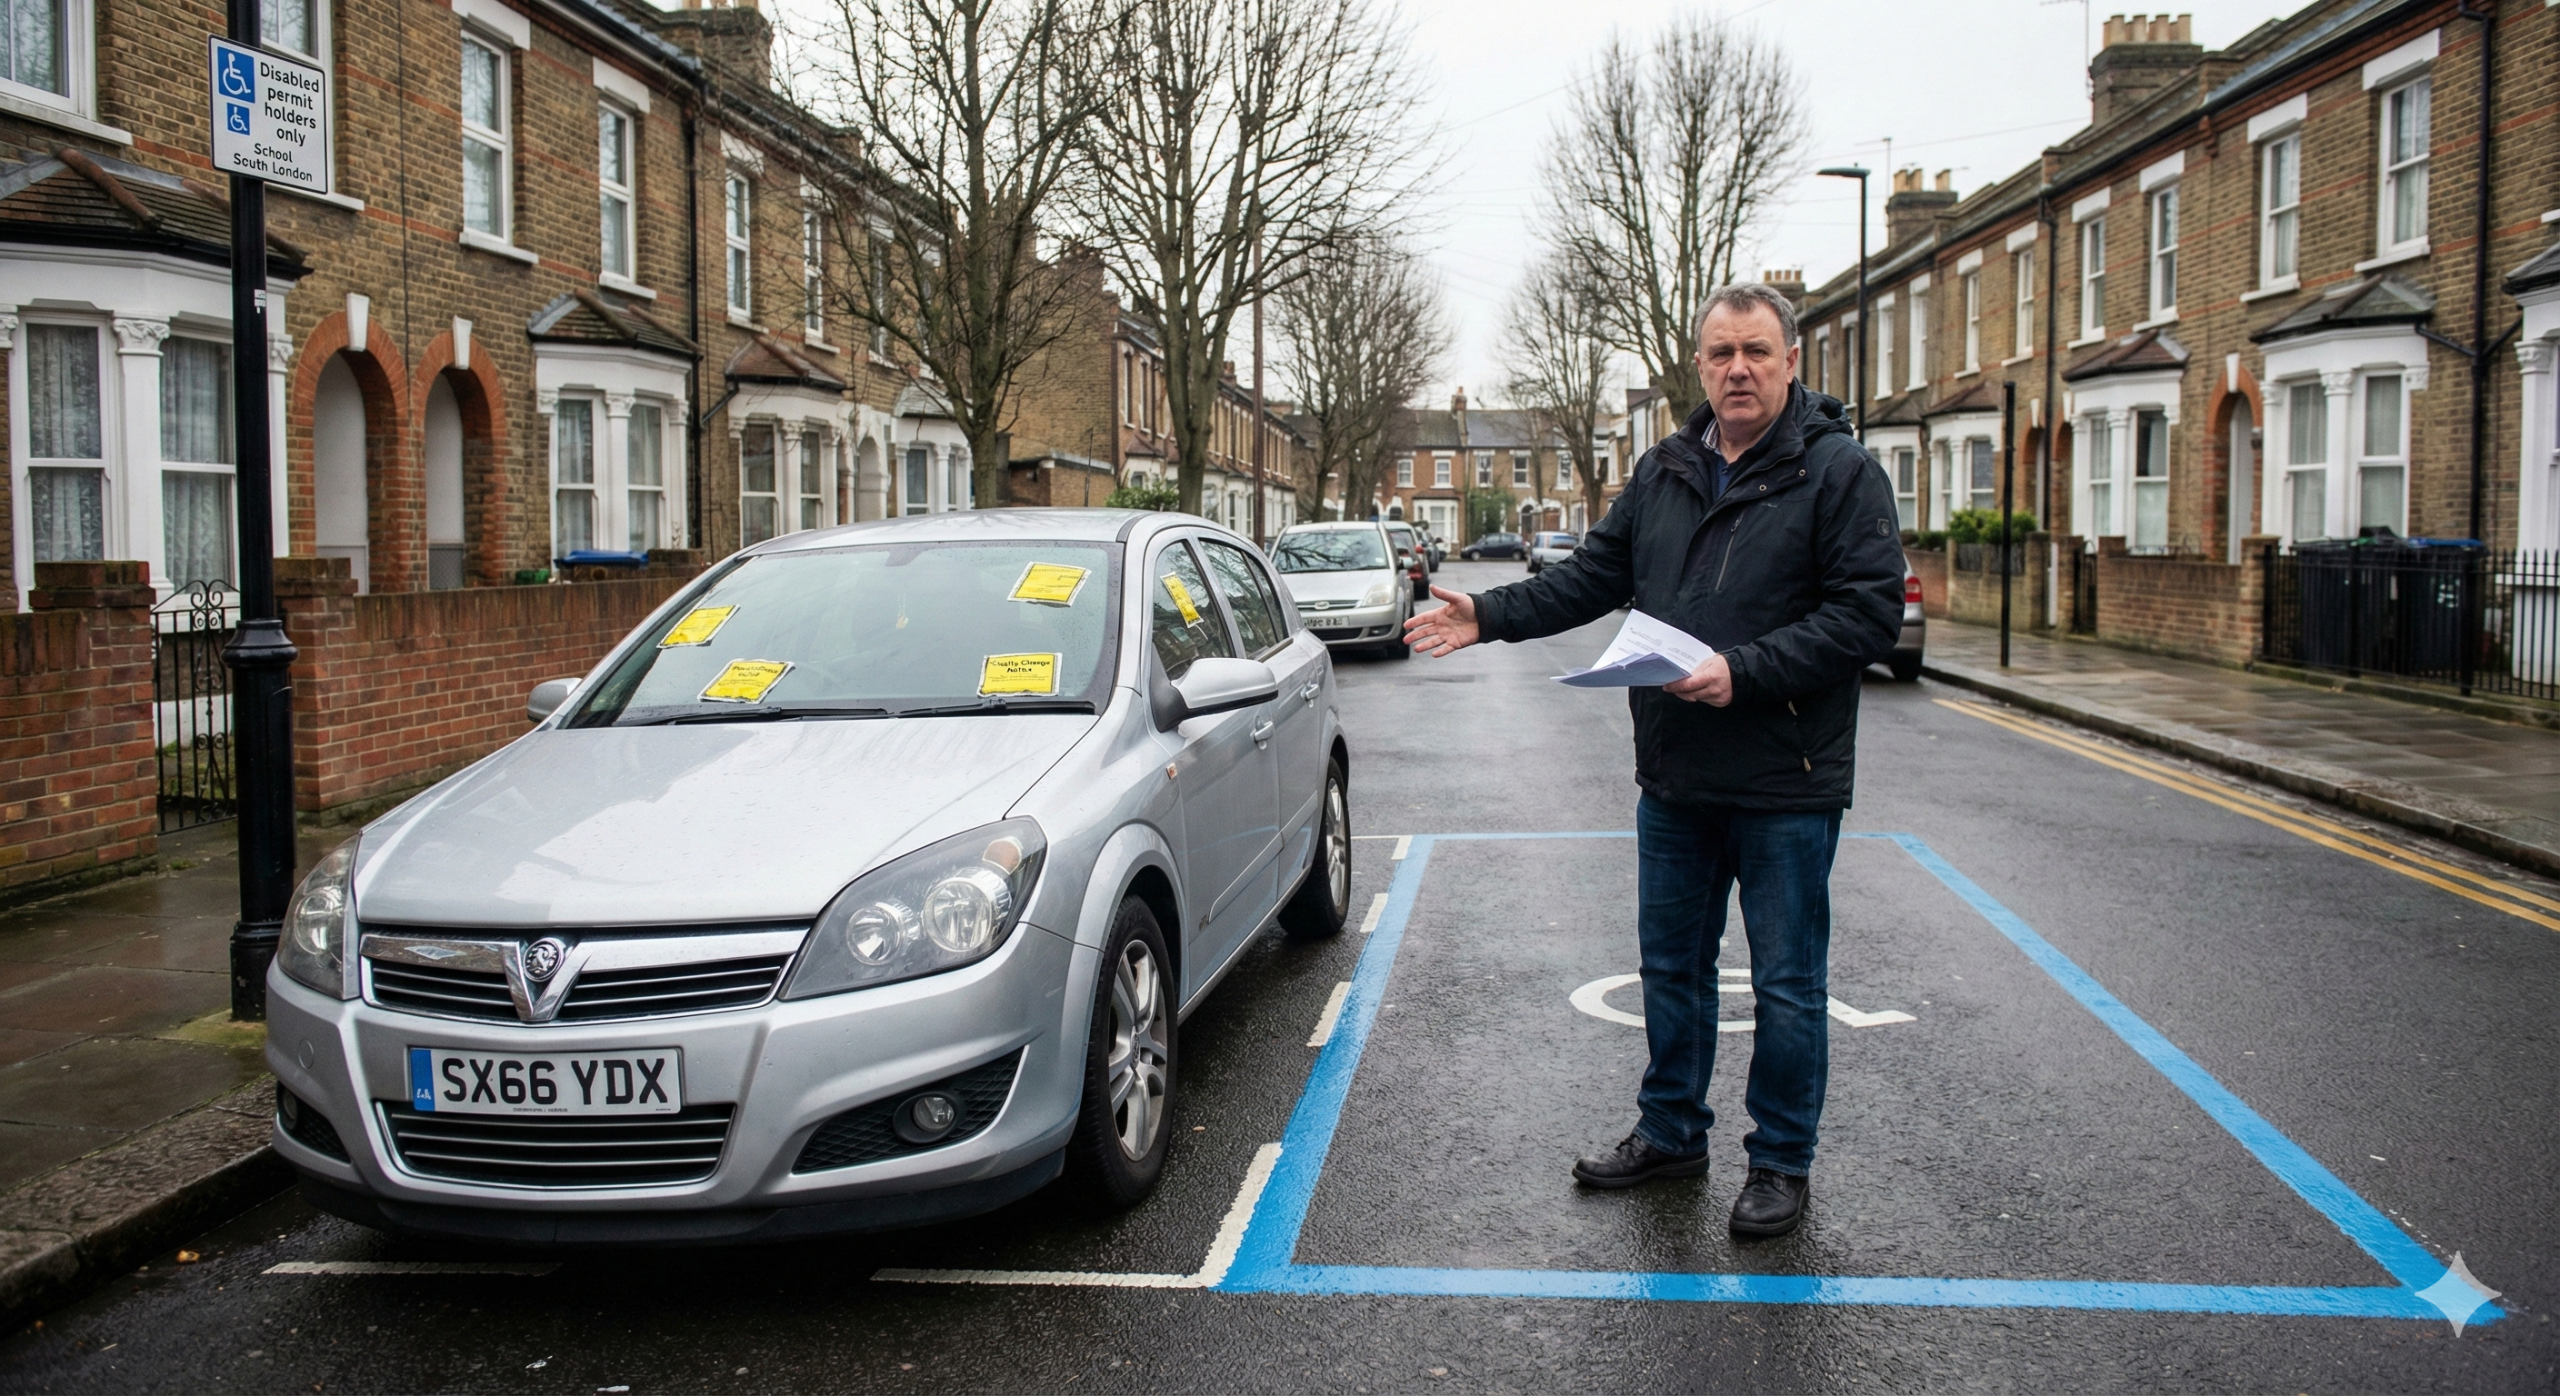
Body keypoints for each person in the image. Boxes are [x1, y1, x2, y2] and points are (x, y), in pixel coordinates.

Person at [1401, 283, 1903, 1239]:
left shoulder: (1840, 475)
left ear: (1792, 362)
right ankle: (1672, 1130)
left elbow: (1865, 616)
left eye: (1757, 352)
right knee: (1671, 968)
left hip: (1785, 782)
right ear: (1701, 366)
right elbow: (1597, 575)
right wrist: (1491, 614)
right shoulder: (1667, 466)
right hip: (1675, 776)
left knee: (1789, 982)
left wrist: (1739, 673)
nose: (1738, 370)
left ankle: (1780, 1163)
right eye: (1721, 354)